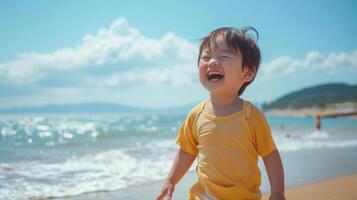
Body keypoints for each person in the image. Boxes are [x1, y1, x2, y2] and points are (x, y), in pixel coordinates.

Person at [157, 27, 285, 200]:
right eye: (206, 57)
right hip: (204, 196)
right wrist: (171, 180)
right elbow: (187, 151)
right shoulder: (197, 114)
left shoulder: (251, 116)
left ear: (247, 73)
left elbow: (270, 155)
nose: (212, 62)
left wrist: (277, 193)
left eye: (224, 57)